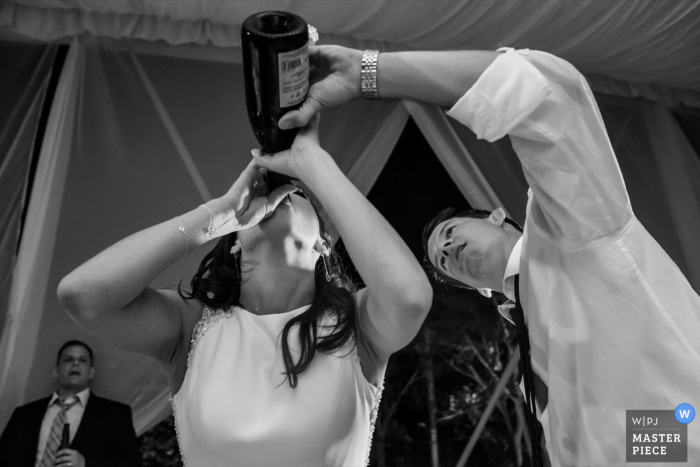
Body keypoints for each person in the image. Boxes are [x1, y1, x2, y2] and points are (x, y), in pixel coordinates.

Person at [279, 46, 700, 466]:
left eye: (448, 234)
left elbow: (552, 97)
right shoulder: (528, 357)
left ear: (498, 217)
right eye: (441, 263)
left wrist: (368, 73)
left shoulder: (571, 232)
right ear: (477, 291)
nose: (445, 251)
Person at [57, 115, 433, 466]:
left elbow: (410, 297)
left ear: (323, 241)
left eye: (294, 192)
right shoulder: (188, 325)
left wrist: (313, 163)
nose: (275, 195)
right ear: (234, 242)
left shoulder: (358, 324)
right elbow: (82, 294)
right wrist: (219, 213)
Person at [0, 340, 141, 467]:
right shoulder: (24, 414)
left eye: (83, 360)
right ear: (56, 371)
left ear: (91, 372)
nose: (75, 363)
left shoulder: (115, 414)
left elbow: (132, 462)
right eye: (68, 359)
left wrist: (86, 463)